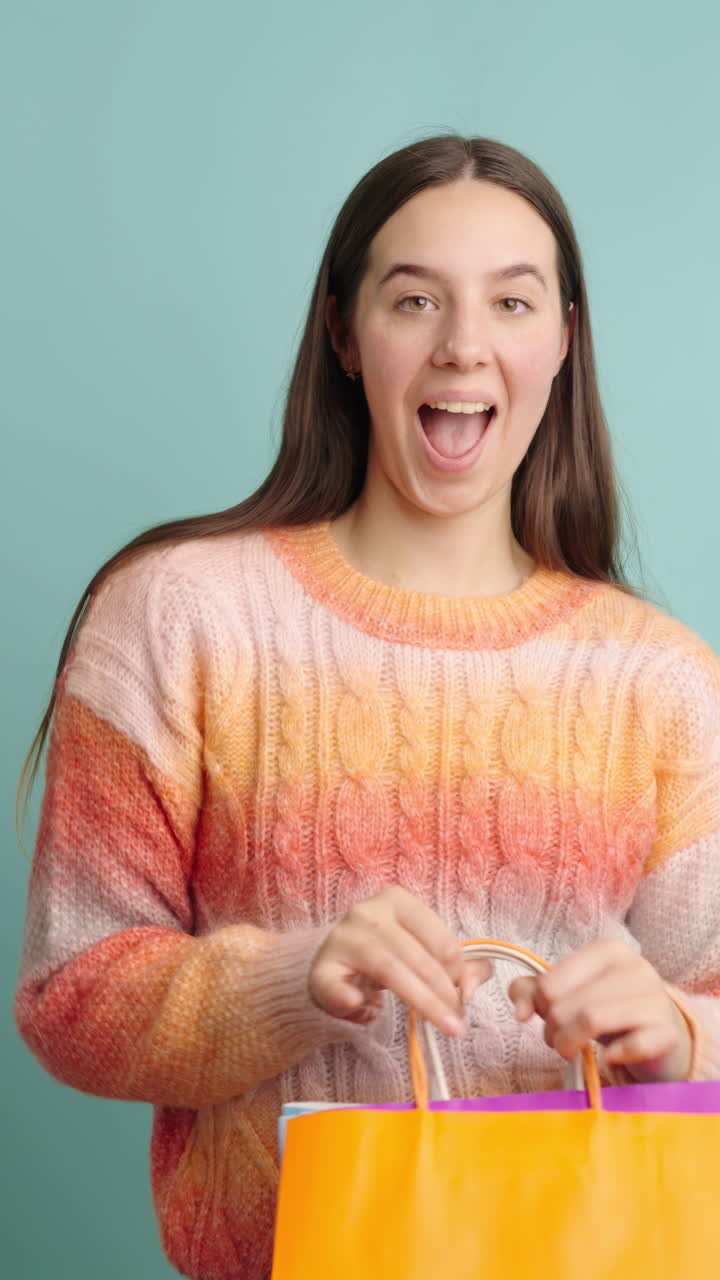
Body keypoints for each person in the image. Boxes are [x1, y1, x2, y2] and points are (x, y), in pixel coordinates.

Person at [14, 134, 720, 1280]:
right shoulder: (175, 614)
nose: (464, 345)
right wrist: (289, 980)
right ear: (344, 331)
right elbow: (70, 992)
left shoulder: (665, 678)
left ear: (564, 341)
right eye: (414, 298)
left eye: (511, 300)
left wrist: (679, 1030)